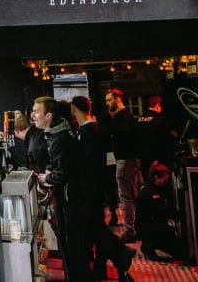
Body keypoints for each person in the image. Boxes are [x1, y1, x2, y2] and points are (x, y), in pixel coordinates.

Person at [70, 96, 133, 281]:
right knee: (96, 228)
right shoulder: (89, 129)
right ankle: (113, 260)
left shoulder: (90, 131)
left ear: (74, 109)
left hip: (92, 189)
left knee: (96, 228)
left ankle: (120, 255)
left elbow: (89, 164)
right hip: (93, 188)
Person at [33, 97, 90, 282]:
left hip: (71, 200)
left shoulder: (60, 138)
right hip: (71, 198)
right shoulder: (58, 133)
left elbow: (63, 173)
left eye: (36, 111)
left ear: (48, 116)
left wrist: (47, 177)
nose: (33, 115)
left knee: (74, 247)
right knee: (72, 246)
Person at [105, 88, 138, 243]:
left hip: (125, 160)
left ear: (117, 99)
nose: (107, 103)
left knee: (125, 196)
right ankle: (134, 227)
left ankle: (131, 230)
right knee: (128, 195)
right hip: (124, 159)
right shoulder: (121, 117)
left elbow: (125, 136)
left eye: (109, 100)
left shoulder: (123, 117)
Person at [135, 161, 182, 262]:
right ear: (156, 177)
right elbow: (163, 210)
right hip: (148, 228)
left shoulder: (151, 189)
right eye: (164, 180)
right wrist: (181, 215)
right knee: (179, 251)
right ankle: (149, 245)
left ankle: (149, 244)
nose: (166, 182)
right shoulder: (151, 193)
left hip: (147, 226)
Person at [135, 95, 174, 179]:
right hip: (158, 159)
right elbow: (166, 139)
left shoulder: (138, 120)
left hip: (143, 159)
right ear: (157, 106)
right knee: (160, 182)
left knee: (148, 181)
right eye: (161, 107)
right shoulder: (160, 120)